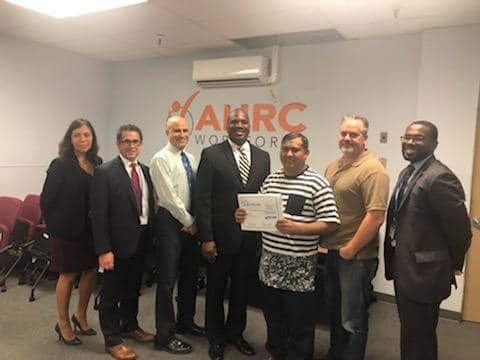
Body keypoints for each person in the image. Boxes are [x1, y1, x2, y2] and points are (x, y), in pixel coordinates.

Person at [236, 132, 340, 360]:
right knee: (274, 319)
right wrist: (244, 214)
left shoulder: (317, 183)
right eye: (285, 149)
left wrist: (299, 228)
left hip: (299, 270)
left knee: (300, 324)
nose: (289, 154)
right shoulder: (271, 180)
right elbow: (258, 213)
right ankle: (276, 353)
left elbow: (331, 223)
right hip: (269, 266)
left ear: (306, 153)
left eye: (295, 149)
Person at [384, 121, 471, 360]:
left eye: (418, 138)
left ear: (434, 144)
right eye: (407, 137)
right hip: (404, 267)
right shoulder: (408, 172)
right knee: (412, 335)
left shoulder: (439, 177)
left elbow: (461, 231)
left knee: (418, 339)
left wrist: (450, 265)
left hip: (425, 273)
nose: (410, 142)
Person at [195, 108, 271, 360]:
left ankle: (236, 334)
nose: (239, 125)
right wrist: (206, 238)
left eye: (243, 121)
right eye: (234, 121)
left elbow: (264, 196)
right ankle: (215, 338)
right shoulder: (211, 155)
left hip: (250, 240)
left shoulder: (263, 157)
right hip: (219, 238)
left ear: (250, 125)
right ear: (226, 126)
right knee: (215, 291)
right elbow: (202, 199)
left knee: (241, 290)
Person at [320, 115, 389, 360]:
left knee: (353, 318)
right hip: (332, 252)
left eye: (354, 134)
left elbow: (376, 216)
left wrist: (350, 249)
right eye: (344, 133)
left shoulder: (373, 170)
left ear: (365, 138)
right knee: (335, 313)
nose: (347, 138)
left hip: (356, 257)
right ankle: (336, 353)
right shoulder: (333, 165)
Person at [91, 124, 155, 360]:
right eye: (126, 141)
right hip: (116, 247)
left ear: (141, 144)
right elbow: (98, 215)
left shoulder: (146, 171)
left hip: (142, 241)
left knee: (132, 290)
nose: (131, 145)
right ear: (118, 144)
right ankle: (112, 339)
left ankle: (130, 326)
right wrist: (104, 250)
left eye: (135, 141)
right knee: (111, 294)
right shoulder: (105, 172)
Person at [40, 118, 102, 345]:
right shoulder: (60, 164)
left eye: (87, 135)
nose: (83, 139)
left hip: (91, 229)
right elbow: (46, 201)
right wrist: (56, 229)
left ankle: (81, 315)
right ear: (70, 139)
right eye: (77, 135)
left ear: (92, 138)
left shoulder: (97, 162)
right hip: (66, 231)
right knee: (68, 274)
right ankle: (63, 323)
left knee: (90, 271)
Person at [150, 116, 203, 355]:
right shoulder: (160, 159)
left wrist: (193, 221)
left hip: (189, 223)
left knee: (190, 276)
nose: (182, 135)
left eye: (185, 130)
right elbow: (168, 197)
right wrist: (189, 221)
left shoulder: (190, 158)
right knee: (167, 281)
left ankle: (186, 321)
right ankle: (165, 335)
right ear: (166, 132)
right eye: (176, 131)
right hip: (170, 223)